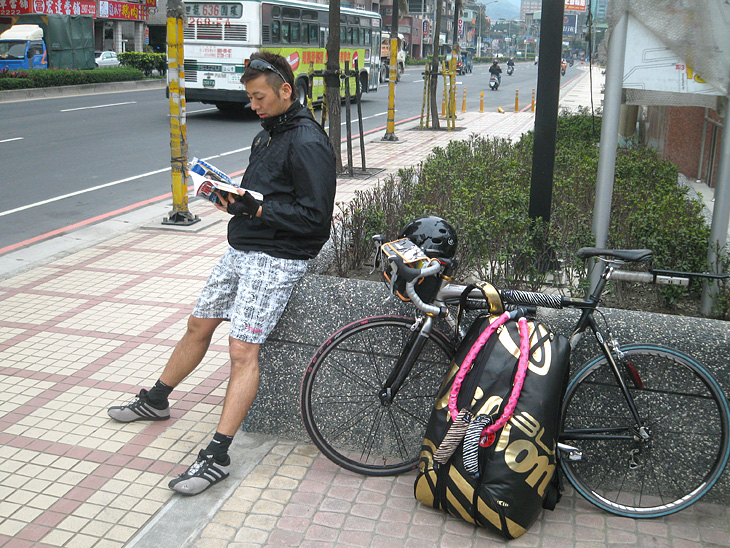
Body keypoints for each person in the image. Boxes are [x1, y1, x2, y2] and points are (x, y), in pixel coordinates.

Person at [107, 51, 337, 496]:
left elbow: (316, 219)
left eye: (259, 97)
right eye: (250, 97)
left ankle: (217, 454)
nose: (253, 106)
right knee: (199, 323)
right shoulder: (268, 135)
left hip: (278, 259)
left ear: (286, 90)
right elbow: (261, 194)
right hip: (242, 249)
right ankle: (155, 399)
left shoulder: (308, 140)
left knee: (241, 351)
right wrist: (231, 199)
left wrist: (258, 207)